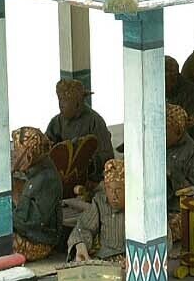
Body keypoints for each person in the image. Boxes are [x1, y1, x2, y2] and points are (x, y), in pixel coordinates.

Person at [10, 126, 63, 262]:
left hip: (40, 241)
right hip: (31, 233)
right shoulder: (36, 173)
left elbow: (29, 223)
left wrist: (4, 215)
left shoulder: (46, 179)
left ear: (29, 154)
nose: (14, 156)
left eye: (17, 152)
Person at [44, 78, 114, 179]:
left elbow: (108, 155)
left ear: (78, 104)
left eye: (65, 101)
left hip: (88, 177)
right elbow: (47, 144)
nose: (61, 105)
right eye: (60, 100)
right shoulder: (57, 121)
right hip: (61, 175)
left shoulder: (94, 121)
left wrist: (89, 164)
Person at [69, 159, 126, 262]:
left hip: (132, 259)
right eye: (109, 189)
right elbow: (83, 227)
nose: (114, 196)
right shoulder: (100, 202)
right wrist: (80, 245)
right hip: (105, 258)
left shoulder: (138, 204)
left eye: (118, 190)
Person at [166, 104, 194, 200]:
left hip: (174, 204)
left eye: (165, 131)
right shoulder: (157, 143)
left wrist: (173, 174)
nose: (160, 135)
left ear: (178, 131)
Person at [165, 56, 194, 142]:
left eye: (171, 72)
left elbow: (191, 120)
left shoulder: (192, 91)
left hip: (189, 136)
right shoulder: (156, 86)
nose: (168, 75)